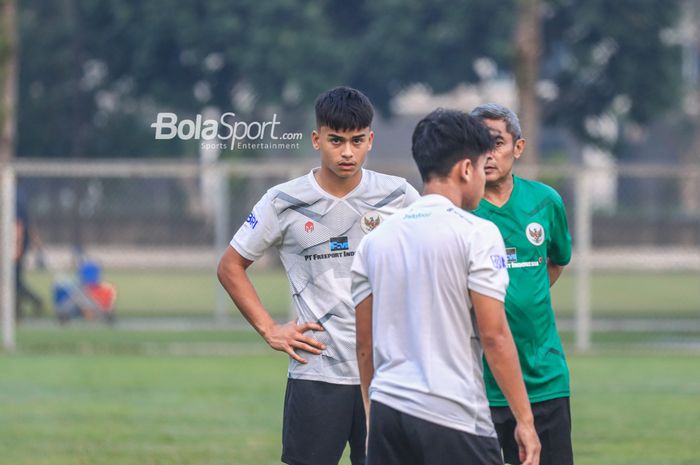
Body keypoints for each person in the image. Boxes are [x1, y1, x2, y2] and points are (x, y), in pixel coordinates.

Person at [217, 86, 420, 465]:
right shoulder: (283, 201)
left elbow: (431, 259)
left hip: (384, 375)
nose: (347, 152)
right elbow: (230, 266)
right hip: (316, 374)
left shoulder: (399, 196)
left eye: (357, 141)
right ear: (316, 139)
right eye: (336, 140)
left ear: (370, 140)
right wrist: (270, 329)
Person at [351, 108, 540, 465]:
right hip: (453, 413)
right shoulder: (478, 233)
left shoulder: (375, 241)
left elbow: (364, 345)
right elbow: (495, 335)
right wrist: (525, 421)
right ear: (465, 169)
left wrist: (372, 416)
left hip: (388, 410)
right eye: (482, 167)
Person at [469, 103, 574, 465]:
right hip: (479, 384)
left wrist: (523, 299)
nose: (487, 154)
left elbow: (557, 260)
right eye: (477, 144)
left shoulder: (545, 201)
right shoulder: (460, 211)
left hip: (545, 376)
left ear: (518, 147)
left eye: (495, 143)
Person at [15, 192, 45, 320]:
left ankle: (35, 302)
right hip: (13, 246)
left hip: (15, 248)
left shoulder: (15, 197)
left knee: (14, 282)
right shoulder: (17, 196)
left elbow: (19, 224)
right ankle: (17, 311)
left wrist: (17, 247)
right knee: (14, 282)